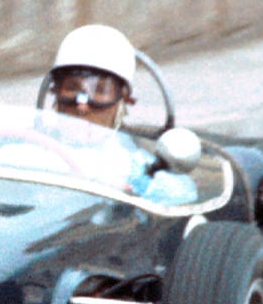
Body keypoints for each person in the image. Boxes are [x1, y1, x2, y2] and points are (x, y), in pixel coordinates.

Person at [40, 25, 202, 204]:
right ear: (55, 92)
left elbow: (184, 193)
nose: (82, 105)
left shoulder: (132, 166)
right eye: (72, 89)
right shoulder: (25, 152)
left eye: (100, 91)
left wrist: (135, 188)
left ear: (123, 100)